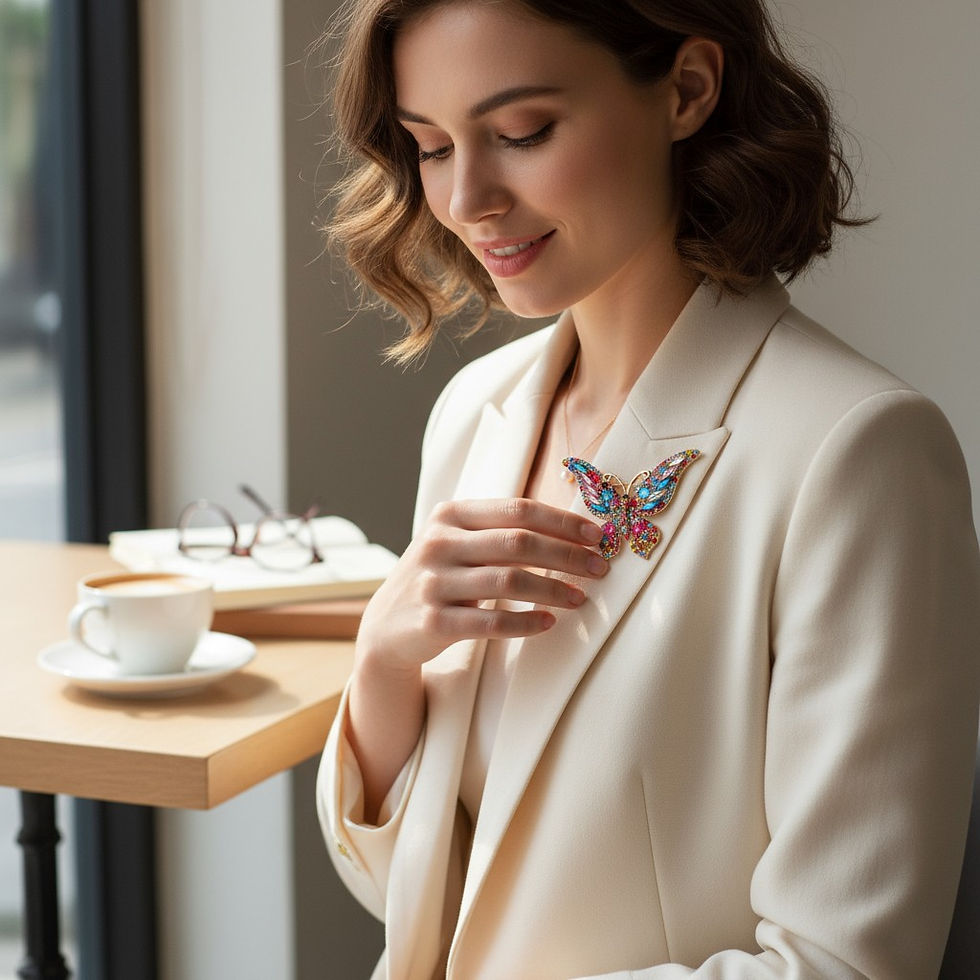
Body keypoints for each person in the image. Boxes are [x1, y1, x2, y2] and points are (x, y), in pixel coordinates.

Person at [316, 1, 980, 976]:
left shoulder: (855, 451)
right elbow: (427, 910)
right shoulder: (474, 412)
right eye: (428, 146)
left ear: (686, 89)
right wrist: (382, 661)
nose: (467, 198)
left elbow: (843, 962)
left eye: (519, 133)